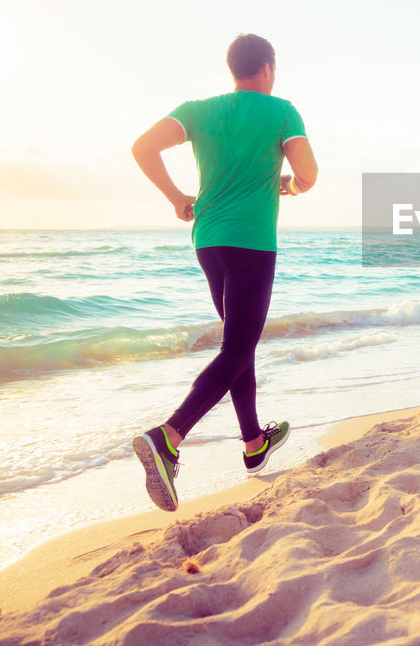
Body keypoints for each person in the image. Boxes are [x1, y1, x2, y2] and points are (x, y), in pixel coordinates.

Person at [129, 33, 318, 512]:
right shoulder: (282, 112)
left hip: (209, 240)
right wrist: (291, 187)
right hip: (254, 243)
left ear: (232, 69)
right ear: (269, 69)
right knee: (237, 347)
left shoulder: (200, 110)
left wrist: (177, 198)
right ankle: (168, 437)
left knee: (239, 344)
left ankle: (254, 442)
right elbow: (309, 175)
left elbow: (143, 147)